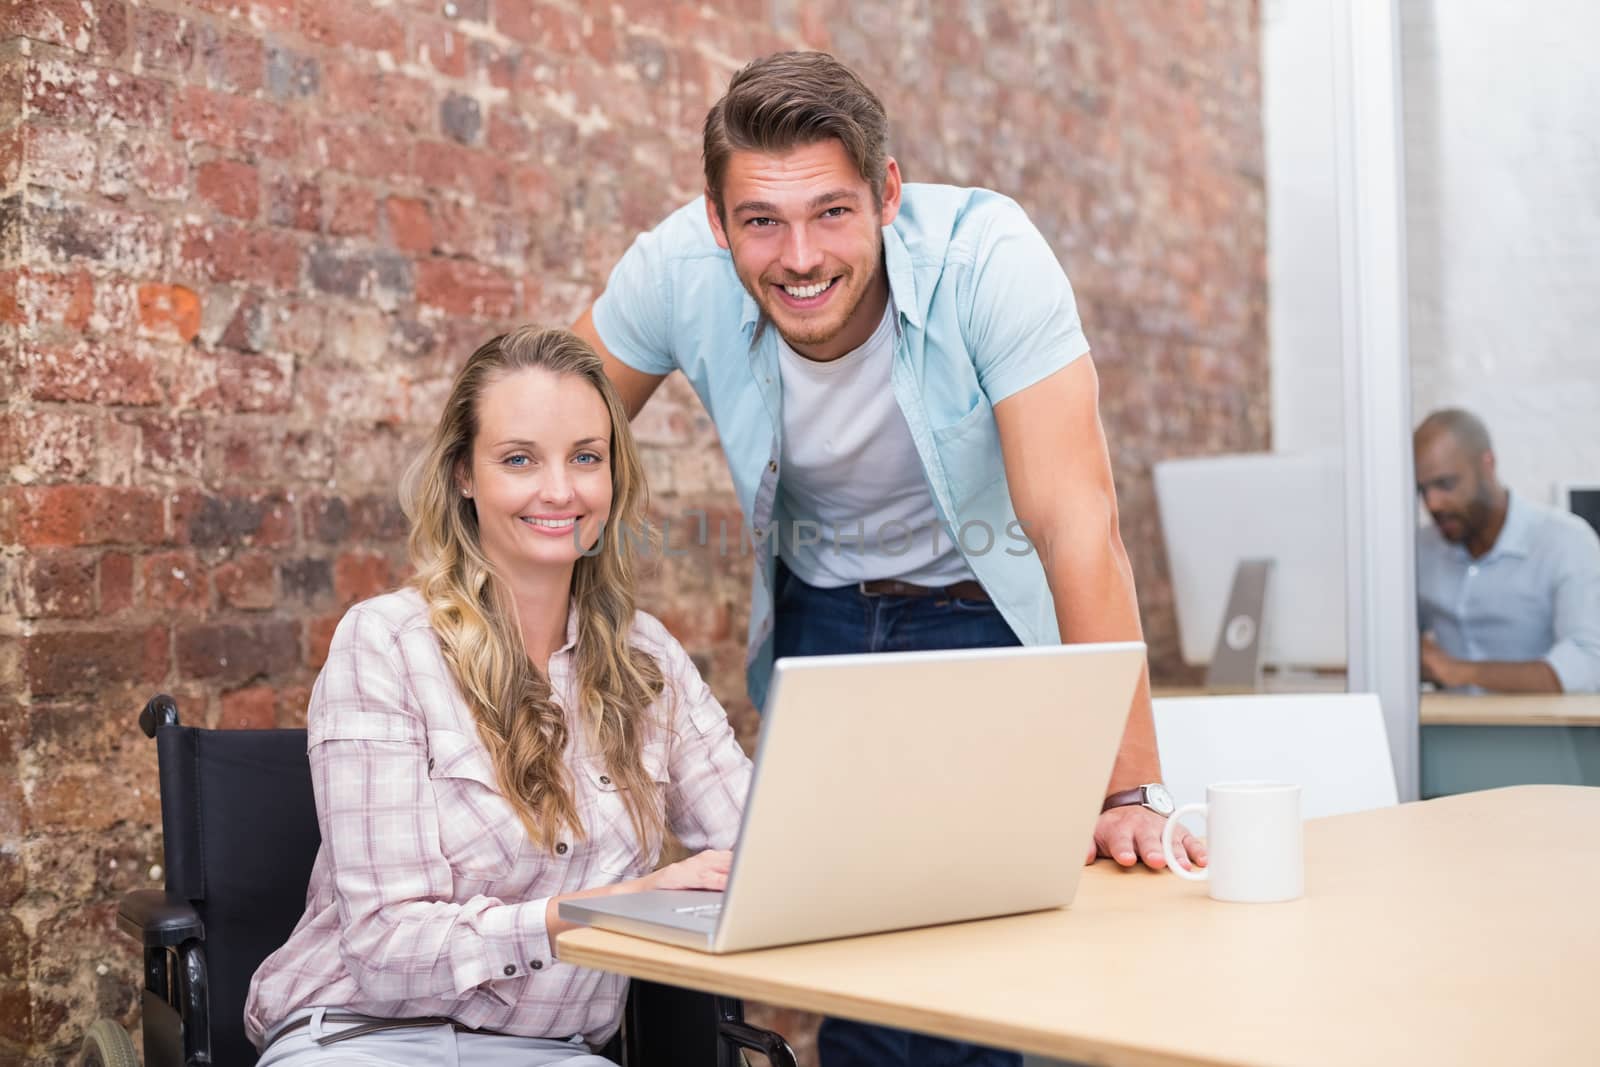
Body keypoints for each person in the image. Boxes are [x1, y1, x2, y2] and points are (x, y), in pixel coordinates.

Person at [572, 51, 1203, 1067]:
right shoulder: (674, 270)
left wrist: (1127, 787)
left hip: (981, 604)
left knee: (969, 948)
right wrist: (485, 609)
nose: (798, 255)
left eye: (830, 212)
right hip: (824, 614)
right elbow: (547, 415)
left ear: (888, 195)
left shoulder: (987, 256)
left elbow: (1075, 517)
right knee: (849, 938)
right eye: (761, 221)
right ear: (715, 215)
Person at [244, 327, 752, 1065]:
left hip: (557, 1051)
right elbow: (386, 950)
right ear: (463, 474)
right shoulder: (386, 644)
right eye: (519, 459)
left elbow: (761, 850)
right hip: (366, 1036)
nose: (559, 489)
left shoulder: (649, 660)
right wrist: (599, 911)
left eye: (586, 456)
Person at [1414, 408, 1600, 694]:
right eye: (1422, 490)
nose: (1433, 504)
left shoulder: (1566, 542)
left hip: (1540, 734)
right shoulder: (1421, 549)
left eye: (1445, 484)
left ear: (1487, 464)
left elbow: (1589, 666)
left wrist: (1459, 671)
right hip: (1446, 732)